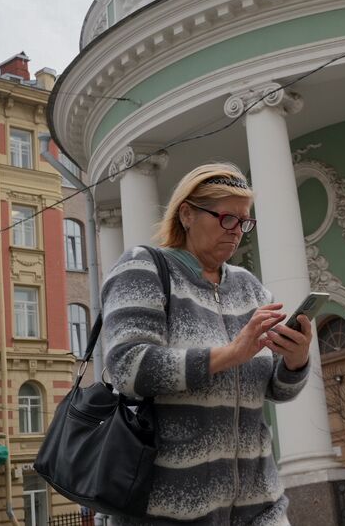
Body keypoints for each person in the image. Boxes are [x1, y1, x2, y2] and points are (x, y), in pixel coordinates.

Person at [101, 162, 313, 525]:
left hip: (260, 505)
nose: (236, 232)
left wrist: (295, 361)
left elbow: (274, 389)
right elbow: (127, 367)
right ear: (187, 213)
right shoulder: (143, 268)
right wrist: (229, 354)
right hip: (168, 512)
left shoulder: (249, 287)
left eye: (244, 222)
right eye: (226, 218)